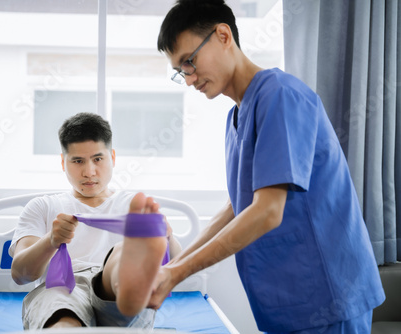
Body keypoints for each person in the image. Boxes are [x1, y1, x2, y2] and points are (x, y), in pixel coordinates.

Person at [149, 1, 385, 333]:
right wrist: (174, 265)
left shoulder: (280, 96)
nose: (189, 80)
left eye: (189, 62)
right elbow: (238, 204)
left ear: (223, 35)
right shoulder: (236, 116)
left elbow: (267, 211)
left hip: (328, 297)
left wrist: (178, 273)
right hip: (289, 302)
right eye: (181, 72)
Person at [9, 112, 181, 329]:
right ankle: (127, 279)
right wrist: (51, 240)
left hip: (113, 281)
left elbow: (180, 268)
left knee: (120, 255)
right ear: (63, 162)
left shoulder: (137, 207)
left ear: (113, 158)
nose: (89, 172)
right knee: (62, 318)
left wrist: (168, 236)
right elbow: (20, 274)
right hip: (62, 285)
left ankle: (128, 276)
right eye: (78, 161)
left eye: (98, 159)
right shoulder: (42, 207)